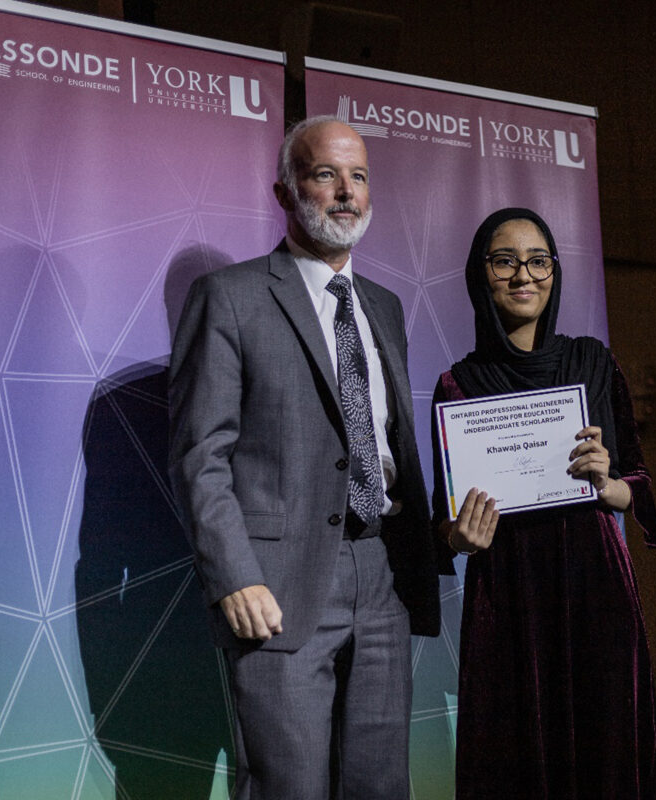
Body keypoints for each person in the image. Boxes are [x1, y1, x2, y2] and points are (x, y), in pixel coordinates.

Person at [168, 116, 442, 799]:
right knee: (289, 787)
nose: (347, 192)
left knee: (379, 787)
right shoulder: (230, 297)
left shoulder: (385, 305)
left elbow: (387, 446)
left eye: (359, 177)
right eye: (326, 174)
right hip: (278, 586)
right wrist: (234, 576)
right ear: (285, 191)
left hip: (384, 576)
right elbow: (201, 454)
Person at [432, 208, 656, 799]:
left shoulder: (593, 360)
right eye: (504, 260)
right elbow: (443, 523)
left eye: (538, 260)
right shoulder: (456, 385)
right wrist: (460, 537)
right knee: (513, 757)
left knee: (607, 745)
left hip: (594, 584)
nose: (523, 276)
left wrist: (606, 481)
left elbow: (635, 482)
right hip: (507, 593)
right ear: (478, 274)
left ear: (554, 273)